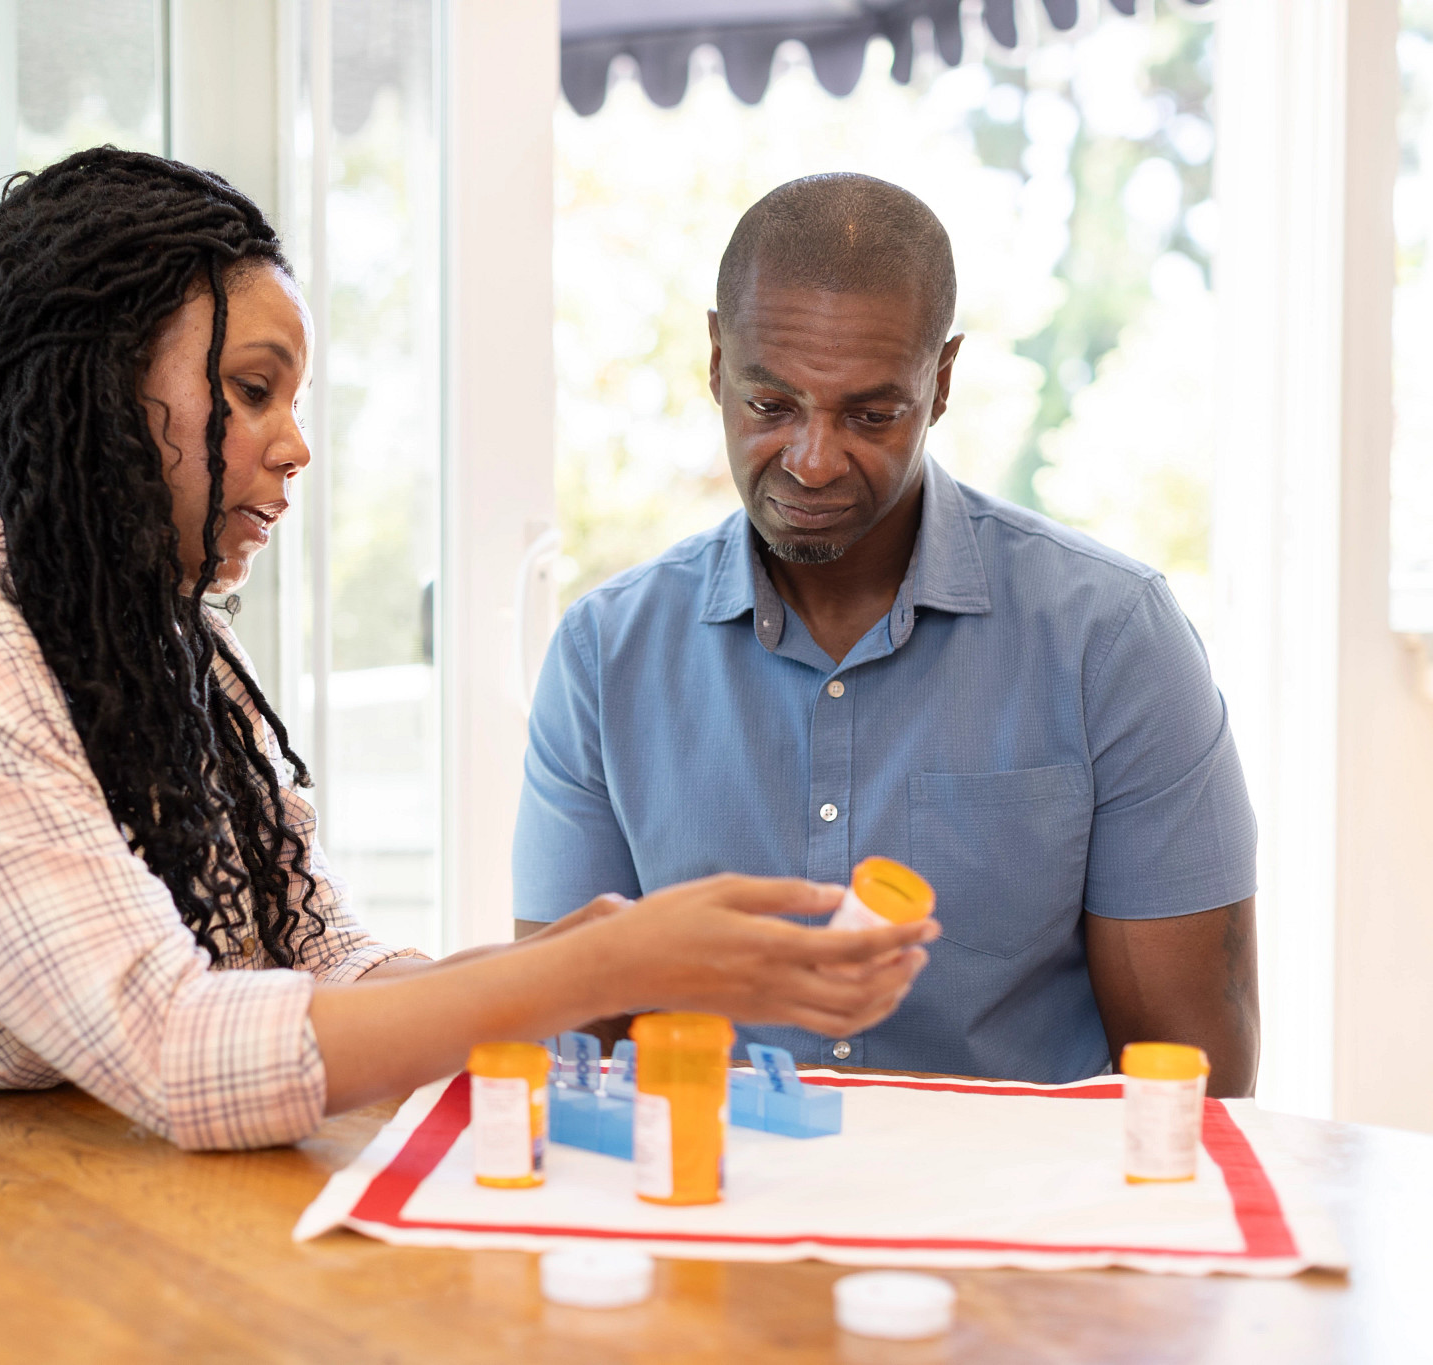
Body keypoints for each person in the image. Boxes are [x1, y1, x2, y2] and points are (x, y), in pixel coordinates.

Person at [0, 151, 939, 1166]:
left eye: (295, 400)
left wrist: (597, 955)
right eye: (251, 391)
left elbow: (325, 969)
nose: (293, 445)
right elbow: (179, 1049)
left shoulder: (160, 653)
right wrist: (602, 969)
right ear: (92, 386)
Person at [512, 173, 1259, 1097]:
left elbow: (1197, 1089)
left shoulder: (1113, 643)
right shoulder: (601, 660)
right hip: (711, 1208)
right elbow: (560, 1058)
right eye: (770, 405)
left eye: (871, 414)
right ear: (715, 360)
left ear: (940, 383)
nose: (814, 459)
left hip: (1009, 1229)